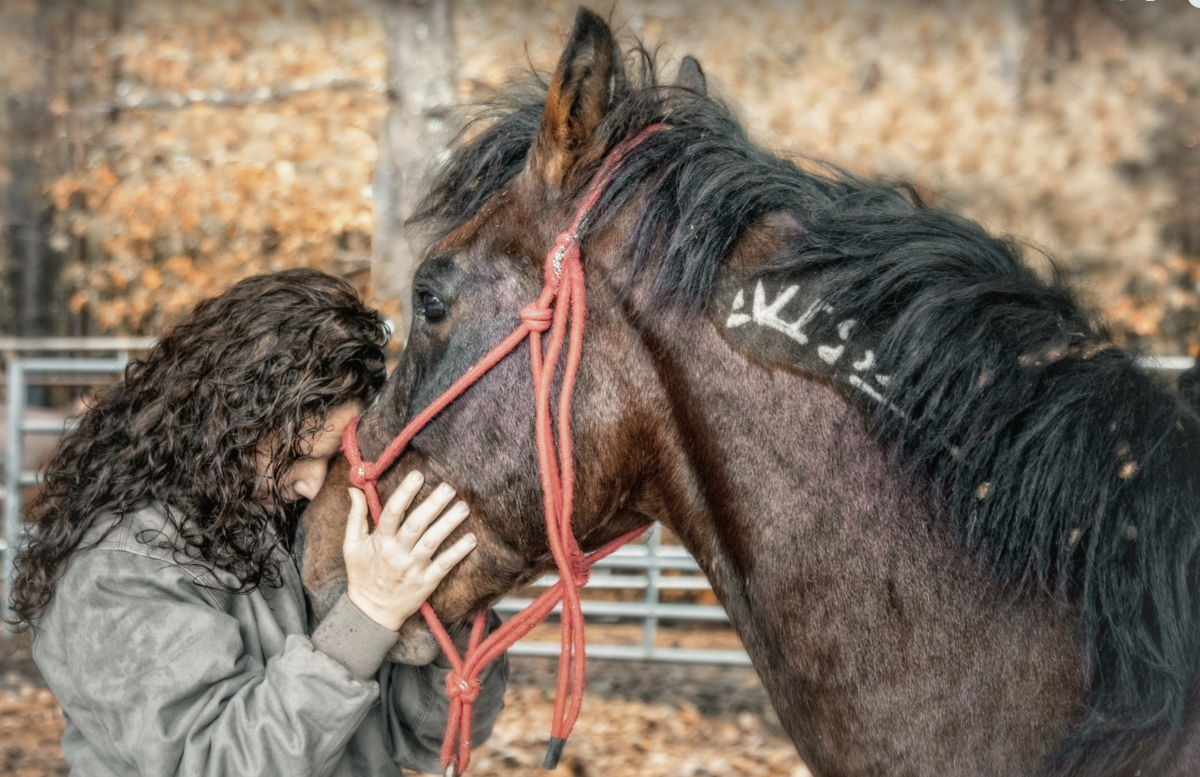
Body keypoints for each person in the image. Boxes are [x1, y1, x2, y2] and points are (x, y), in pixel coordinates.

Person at [8, 269, 508, 776]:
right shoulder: (116, 570)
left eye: (331, 457)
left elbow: (424, 739)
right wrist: (370, 613)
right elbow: (217, 764)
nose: (314, 484)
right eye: (296, 455)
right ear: (226, 422)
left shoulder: (301, 525)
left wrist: (446, 599)